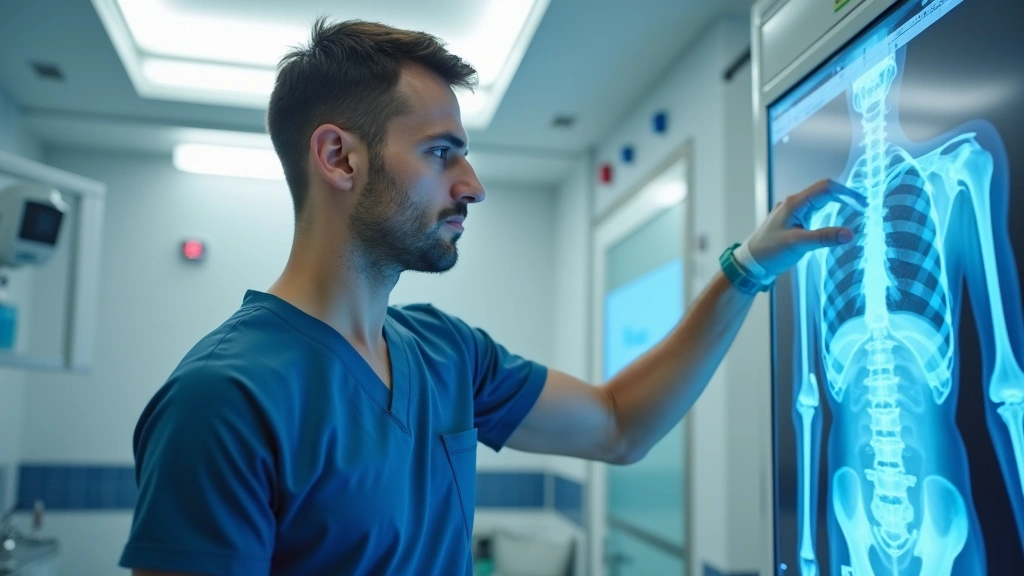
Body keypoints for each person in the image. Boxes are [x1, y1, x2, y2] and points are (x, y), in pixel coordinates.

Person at [119, 18, 855, 576]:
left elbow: (619, 424)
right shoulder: (225, 400)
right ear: (340, 157)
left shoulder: (444, 352)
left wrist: (745, 271)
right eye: (442, 153)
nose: (472, 185)